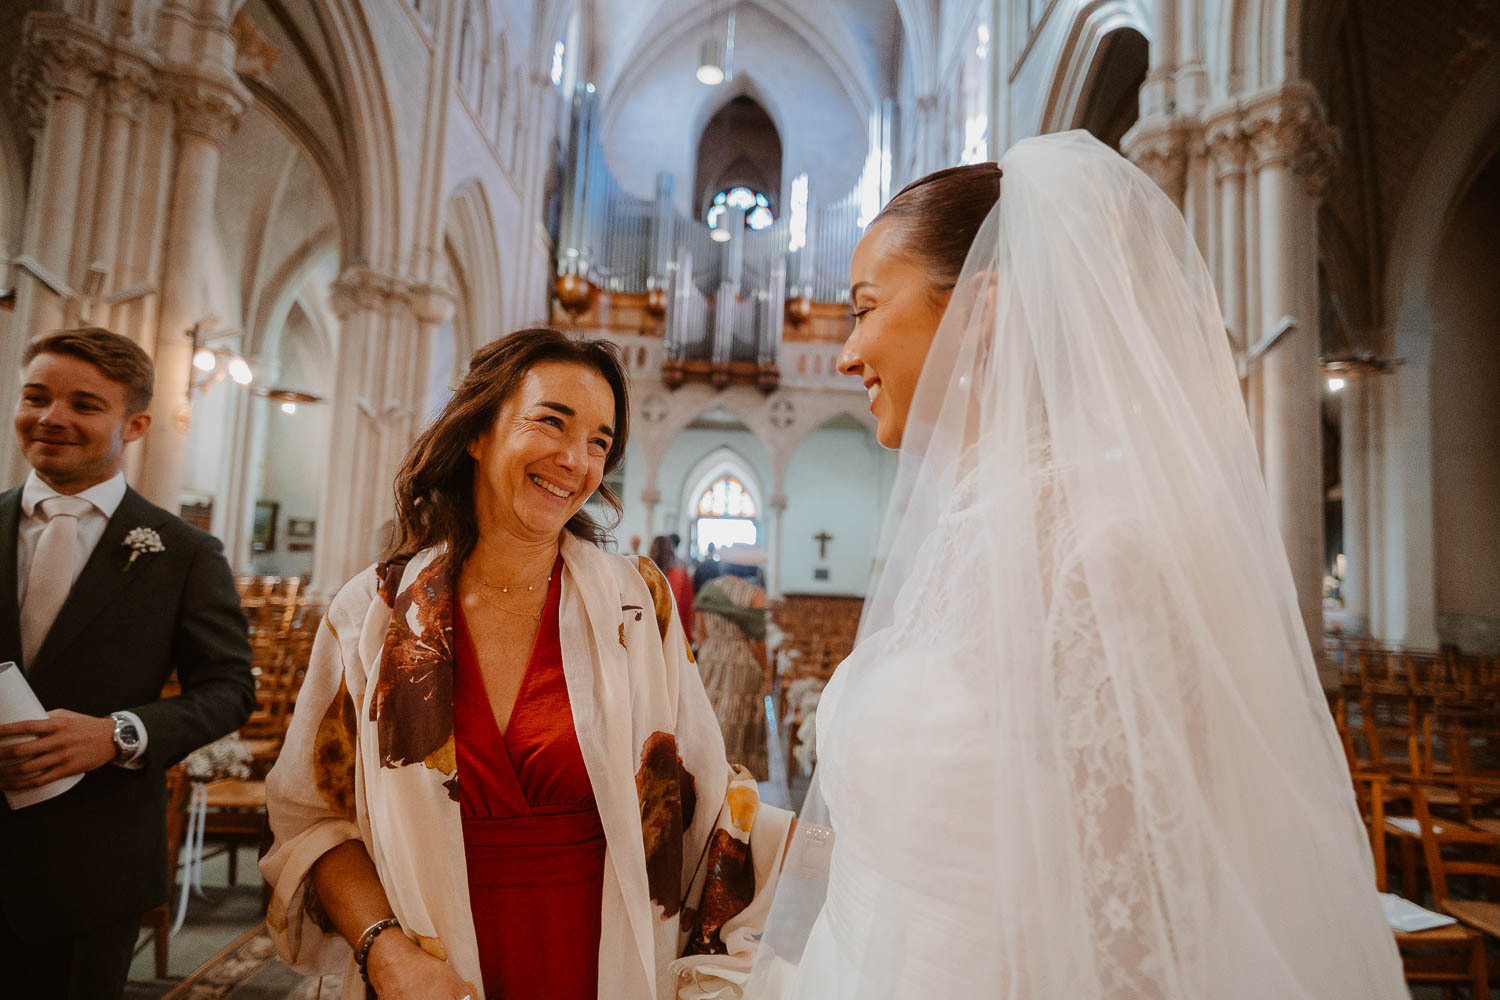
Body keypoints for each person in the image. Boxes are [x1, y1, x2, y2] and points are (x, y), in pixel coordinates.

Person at [748, 132, 1405, 998]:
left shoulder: (1101, 552)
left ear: (978, 308)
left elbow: (1141, 926)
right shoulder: (959, 533)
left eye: (865, 308)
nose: (844, 352)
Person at [262, 328, 792, 1000]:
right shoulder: (376, 613)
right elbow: (314, 820)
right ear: (478, 433)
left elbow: (706, 807)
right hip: (433, 967)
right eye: (552, 422)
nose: (576, 460)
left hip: (602, 961)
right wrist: (385, 953)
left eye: (599, 442)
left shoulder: (636, 607)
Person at [0, 327, 255, 999]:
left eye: (84, 404)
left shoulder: (184, 553)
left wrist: (117, 734)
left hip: (88, 864)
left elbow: (229, 689)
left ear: (135, 425)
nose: (51, 417)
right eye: (36, 397)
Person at [692, 548, 772, 782]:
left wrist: (710, 655)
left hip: (710, 660)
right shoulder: (756, 594)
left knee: (711, 714)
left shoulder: (708, 590)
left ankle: (708, 774)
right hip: (743, 662)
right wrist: (766, 670)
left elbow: (701, 633)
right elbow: (757, 640)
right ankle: (738, 779)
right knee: (739, 717)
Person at [649, 534, 694, 630]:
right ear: (670, 552)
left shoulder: (643, 576)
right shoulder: (682, 576)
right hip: (675, 631)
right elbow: (688, 612)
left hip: (649, 632)